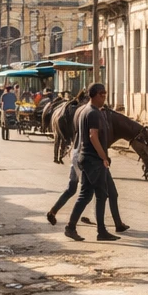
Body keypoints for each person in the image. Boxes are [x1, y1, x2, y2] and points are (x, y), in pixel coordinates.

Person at [62, 83, 119, 243]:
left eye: (105, 94)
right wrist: (104, 157)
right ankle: (101, 231)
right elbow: (93, 136)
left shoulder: (85, 111)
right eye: (102, 94)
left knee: (86, 194)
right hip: (93, 160)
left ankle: (70, 227)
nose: (104, 97)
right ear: (94, 95)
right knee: (102, 194)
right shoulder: (93, 113)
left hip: (84, 158)